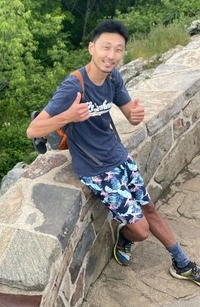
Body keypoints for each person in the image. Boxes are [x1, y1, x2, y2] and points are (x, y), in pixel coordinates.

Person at [26, 19, 200, 285]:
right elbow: (33, 130)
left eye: (118, 49)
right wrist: (68, 115)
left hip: (119, 157)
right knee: (140, 231)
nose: (111, 55)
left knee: (149, 209)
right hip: (96, 171)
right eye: (106, 48)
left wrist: (136, 114)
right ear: (91, 48)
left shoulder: (113, 77)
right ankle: (125, 235)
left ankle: (182, 263)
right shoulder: (74, 86)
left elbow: (130, 115)